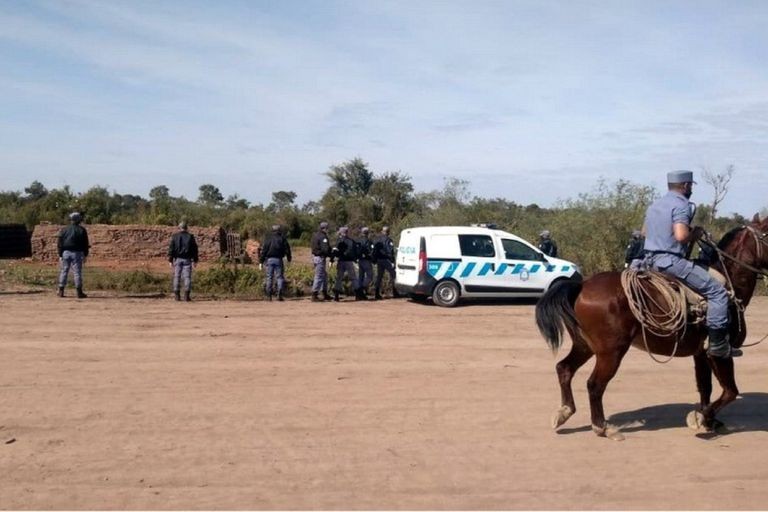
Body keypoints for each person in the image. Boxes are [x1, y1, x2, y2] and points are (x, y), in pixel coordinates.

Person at [643, 170, 740, 358]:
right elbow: (681, 236)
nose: (690, 190)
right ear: (686, 185)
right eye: (691, 186)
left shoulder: (655, 205)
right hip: (671, 262)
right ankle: (718, 344)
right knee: (718, 292)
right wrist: (694, 234)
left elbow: (645, 233)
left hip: (648, 261)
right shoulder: (682, 205)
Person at [57, 212, 90, 298]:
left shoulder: (64, 229)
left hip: (65, 253)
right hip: (77, 253)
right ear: (79, 220)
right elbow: (85, 244)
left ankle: (61, 291)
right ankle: (79, 292)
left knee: (64, 271)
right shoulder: (82, 230)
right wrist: (85, 254)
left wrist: (60, 254)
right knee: (77, 272)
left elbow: (60, 242)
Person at [168, 220, 199, 302]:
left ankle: (177, 296)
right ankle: (186, 296)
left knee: (177, 276)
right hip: (187, 259)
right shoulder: (190, 236)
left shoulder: (175, 236)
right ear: (186, 228)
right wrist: (195, 260)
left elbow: (171, 249)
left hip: (177, 259)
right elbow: (194, 249)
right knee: (187, 277)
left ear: (179, 228)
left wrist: (170, 260)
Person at [259, 224, 292, 301]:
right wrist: (289, 258)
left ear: (272, 230)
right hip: (279, 260)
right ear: (279, 230)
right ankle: (279, 294)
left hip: (269, 260)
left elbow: (264, 250)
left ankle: (269, 296)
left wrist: (261, 261)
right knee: (279, 277)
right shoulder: (282, 238)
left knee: (269, 277)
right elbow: (287, 249)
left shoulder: (268, 239)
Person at [332, 226, 359, 301]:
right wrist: (355, 260)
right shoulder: (351, 241)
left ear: (341, 233)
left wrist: (333, 259)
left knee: (339, 278)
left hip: (341, 260)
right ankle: (357, 294)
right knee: (353, 277)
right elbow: (354, 251)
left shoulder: (338, 241)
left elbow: (335, 251)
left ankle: (336, 296)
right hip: (349, 261)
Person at [373, 226, 399, 300]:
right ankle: (395, 292)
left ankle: (376, 293)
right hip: (386, 260)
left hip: (379, 260)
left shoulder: (377, 240)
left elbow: (374, 250)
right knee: (394, 275)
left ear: (382, 231)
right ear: (388, 232)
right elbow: (390, 251)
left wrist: (374, 259)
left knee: (379, 277)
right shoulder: (389, 240)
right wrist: (392, 261)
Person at [310, 221, 333, 302]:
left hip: (315, 257)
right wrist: (331, 253)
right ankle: (314, 294)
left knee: (324, 276)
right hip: (320, 257)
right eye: (327, 228)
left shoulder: (315, 235)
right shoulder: (323, 237)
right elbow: (325, 249)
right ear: (325, 228)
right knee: (319, 276)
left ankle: (324, 292)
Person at [356, 227, 375, 300]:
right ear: (367, 233)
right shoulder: (368, 241)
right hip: (366, 260)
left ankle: (359, 295)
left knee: (360, 277)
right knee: (370, 276)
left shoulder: (358, 240)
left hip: (360, 260)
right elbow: (370, 251)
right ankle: (361, 288)